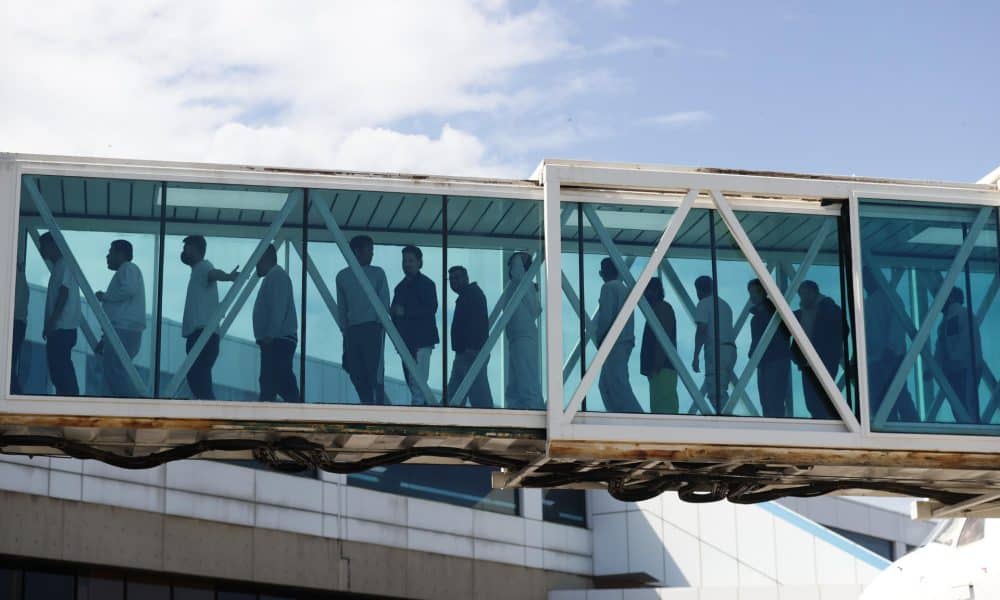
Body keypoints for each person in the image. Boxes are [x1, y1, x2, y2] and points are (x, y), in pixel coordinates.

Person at [180, 235, 238, 400]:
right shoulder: (197, 271)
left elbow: (213, 273)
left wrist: (228, 276)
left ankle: (209, 409)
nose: (184, 252)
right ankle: (207, 407)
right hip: (201, 335)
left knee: (198, 376)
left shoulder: (203, 266)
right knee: (197, 376)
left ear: (196, 249)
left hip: (202, 335)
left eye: (186, 248)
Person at [336, 235, 389, 405]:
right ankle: (366, 402)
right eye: (369, 250)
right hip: (352, 330)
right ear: (357, 251)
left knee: (374, 372)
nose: (372, 254)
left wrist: (379, 324)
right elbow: (342, 307)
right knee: (354, 370)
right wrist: (345, 331)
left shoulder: (378, 273)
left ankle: (377, 406)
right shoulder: (342, 276)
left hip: (373, 328)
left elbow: (384, 301)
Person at [862, 267, 918, 422]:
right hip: (875, 359)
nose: (865, 282)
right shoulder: (871, 302)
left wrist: (890, 349)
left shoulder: (887, 298)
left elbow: (896, 326)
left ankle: (911, 425)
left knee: (897, 395)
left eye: (867, 278)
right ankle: (892, 425)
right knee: (885, 397)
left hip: (888, 357)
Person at [95, 240, 146, 397]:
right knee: (113, 370)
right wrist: (105, 339)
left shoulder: (128, 268)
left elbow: (128, 290)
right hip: (122, 330)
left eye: (111, 252)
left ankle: (130, 403)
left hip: (125, 329)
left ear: (121, 254)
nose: (107, 256)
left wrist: (106, 296)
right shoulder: (127, 270)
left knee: (115, 370)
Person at [391, 245, 439, 406]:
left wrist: (405, 312)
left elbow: (431, 308)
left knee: (418, 381)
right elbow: (394, 313)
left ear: (419, 262)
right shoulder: (400, 287)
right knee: (412, 381)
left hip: (422, 340)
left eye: (410, 260)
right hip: (406, 342)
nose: (407, 264)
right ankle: (421, 407)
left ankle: (419, 409)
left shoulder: (427, 284)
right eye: (404, 261)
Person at [252, 244, 300, 403]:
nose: (255, 264)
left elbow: (278, 307)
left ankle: (296, 410)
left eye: (257, 260)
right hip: (276, 339)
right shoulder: (274, 277)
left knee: (277, 379)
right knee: (272, 380)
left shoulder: (277, 277)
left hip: (278, 340)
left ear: (265, 258)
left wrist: (269, 336)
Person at [791, 280, 845, 419]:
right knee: (814, 402)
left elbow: (841, 332)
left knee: (819, 401)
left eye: (804, 294)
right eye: (800, 294)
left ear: (813, 292)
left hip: (822, 361)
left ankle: (824, 426)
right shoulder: (806, 312)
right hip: (809, 362)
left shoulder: (828, 309)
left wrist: (829, 353)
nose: (801, 298)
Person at [594, 258, 641, 413]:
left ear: (604, 272)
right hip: (625, 340)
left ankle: (633, 414)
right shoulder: (624, 289)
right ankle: (618, 413)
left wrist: (600, 339)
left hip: (614, 342)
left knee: (616, 382)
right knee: (609, 382)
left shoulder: (608, 288)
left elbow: (606, 316)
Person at [39, 232, 80, 395]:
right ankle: (66, 399)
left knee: (61, 369)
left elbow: (64, 294)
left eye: (44, 246)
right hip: (59, 327)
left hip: (62, 328)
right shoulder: (59, 266)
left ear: (52, 245)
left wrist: (51, 322)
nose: (42, 250)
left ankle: (69, 401)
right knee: (58, 370)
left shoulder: (64, 264)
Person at [446, 265, 492, 408]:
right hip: (464, 354)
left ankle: (490, 424)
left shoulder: (472, 295)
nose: (454, 282)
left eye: (457, 278)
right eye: (451, 279)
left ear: (466, 278)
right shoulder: (468, 295)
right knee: (454, 397)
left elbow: (478, 323)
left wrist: (472, 348)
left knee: (479, 398)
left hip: (470, 354)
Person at [934, 287, 980, 423]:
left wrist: (947, 362)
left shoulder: (952, 318)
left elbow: (944, 346)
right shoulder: (964, 316)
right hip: (964, 368)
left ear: (950, 299)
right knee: (965, 407)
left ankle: (972, 434)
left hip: (962, 369)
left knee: (963, 408)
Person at [747, 279, 792, 418]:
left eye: (755, 292)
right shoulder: (762, 316)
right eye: (751, 292)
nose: (752, 296)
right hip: (765, 362)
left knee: (773, 399)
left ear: (763, 292)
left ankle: (776, 429)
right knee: (767, 400)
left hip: (774, 361)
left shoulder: (774, 314)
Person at [504, 252, 543, 410]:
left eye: (514, 264)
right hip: (516, 337)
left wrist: (519, 258)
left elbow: (536, 310)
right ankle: (516, 410)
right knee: (515, 381)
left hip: (523, 337)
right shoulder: (518, 286)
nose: (512, 268)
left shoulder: (523, 284)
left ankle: (534, 409)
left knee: (526, 377)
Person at [692, 275, 736, 413]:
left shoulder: (704, 304)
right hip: (730, 350)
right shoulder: (725, 305)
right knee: (721, 389)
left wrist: (696, 355)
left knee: (715, 393)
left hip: (717, 351)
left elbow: (702, 330)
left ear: (699, 290)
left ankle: (728, 424)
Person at [640, 278, 678, 414]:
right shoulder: (657, 310)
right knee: (659, 405)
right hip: (659, 368)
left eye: (647, 291)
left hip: (662, 368)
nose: (644, 295)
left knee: (664, 406)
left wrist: (657, 363)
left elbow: (664, 336)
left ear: (655, 291)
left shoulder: (662, 308)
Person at [11, 261, 28, 394]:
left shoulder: (14, 279)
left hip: (15, 324)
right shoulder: (21, 279)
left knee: (8, 367)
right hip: (19, 324)